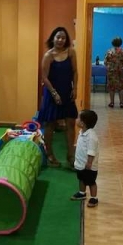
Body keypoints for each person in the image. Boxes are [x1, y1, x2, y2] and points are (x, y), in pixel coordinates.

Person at [39, 26, 78, 167]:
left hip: (67, 91)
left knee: (71, 122)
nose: (60, 40)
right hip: (51, 93)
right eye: (58, 37)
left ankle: (70, 155)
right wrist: (54, 93)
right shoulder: (48, 55)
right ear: (53, 39)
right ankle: (50, 154)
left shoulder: (71, 52)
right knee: (50, 124)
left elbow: (75, 71)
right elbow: (44, 77)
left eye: (63, 37)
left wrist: (75, 88)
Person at [70, 109, 99, 208]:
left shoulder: (91, 137)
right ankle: (82, 193)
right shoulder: (82, 132)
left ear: (82, 123)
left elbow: (91, 151)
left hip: (89, 166)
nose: (76, 119)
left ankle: (94, 198)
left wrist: (89, 163)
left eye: (78, 118)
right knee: (81, 178)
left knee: (91, 182)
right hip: (80, 163)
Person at [104, 37, 123, 108]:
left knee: (111, 87)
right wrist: (122, 66)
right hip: (120, 71)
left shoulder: (109, 51)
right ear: (120, 43)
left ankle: (112, 103)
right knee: (121, 87)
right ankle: (121, 103)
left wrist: (109, 66)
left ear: (112, 43)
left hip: (111, 72)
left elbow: (105, 62)